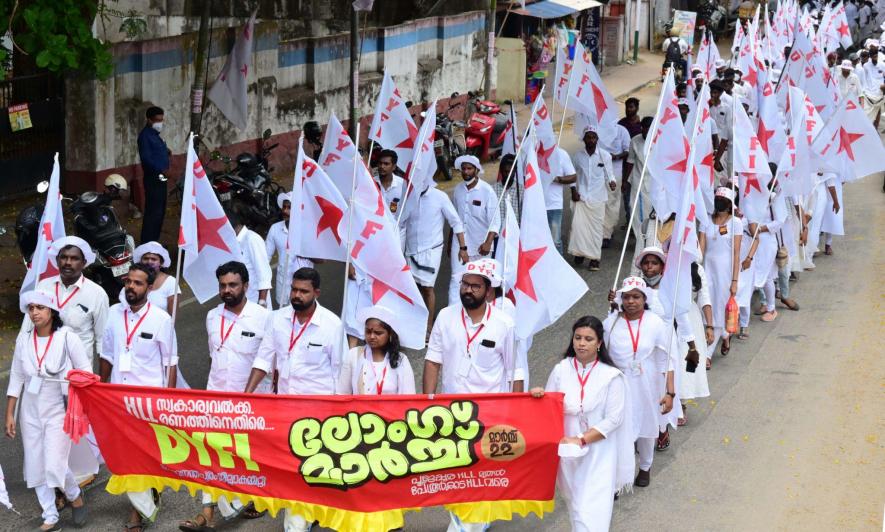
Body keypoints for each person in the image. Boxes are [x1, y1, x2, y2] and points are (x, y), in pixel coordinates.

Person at [424, 260, 521, 532]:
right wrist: (428, 404)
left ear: (488, 292)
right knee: (456, 473)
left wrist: (516, 416)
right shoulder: (445, 316)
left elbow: (516, 371)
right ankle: (472, 520)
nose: (468, 290)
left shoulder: (504, 324)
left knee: (479, 474)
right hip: (451, 414)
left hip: (489, 417)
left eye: (475, 286)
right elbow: (432, 361)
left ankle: (465, 527)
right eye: (464, 284)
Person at [244, 267, 342, 532]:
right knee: (293, 470)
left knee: (310, 470)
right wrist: (246, 395)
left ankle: (302, 520)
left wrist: (337, 419)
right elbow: (264, 359)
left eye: (303, 291)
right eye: (294, 290)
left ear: (316, 293)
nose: (297, 295)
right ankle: (301, 519)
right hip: (284, 410)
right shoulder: (277, 319)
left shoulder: (332, 325)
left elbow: (338, 374)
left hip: (318, 413)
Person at [178, 261, 270, 531]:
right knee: (212, 454)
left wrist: (251, 397)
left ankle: (251, 499)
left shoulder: (263, 317)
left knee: (246, 457)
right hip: (216, 399)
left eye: (233, 284)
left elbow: (267, 362)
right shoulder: (212, 316)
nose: (227, 290)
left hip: (251, 404)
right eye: (223, 285)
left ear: (246, 286)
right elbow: (214, 356)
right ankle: (206, 513)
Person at [529, 316, 632, 532]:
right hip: (568, 452)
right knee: (576, 507)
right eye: (577, 338)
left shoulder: (611, 376)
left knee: (591, 511)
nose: (581, 343)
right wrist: (539, 396)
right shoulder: (561, 369)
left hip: (599, 452)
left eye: (588, 339)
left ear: (599, 343)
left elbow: (614, 419)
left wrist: (582, 439)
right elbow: (550, 407)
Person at [99, 263, 178, 531]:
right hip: (118, 399)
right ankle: (148, 495)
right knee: (124, 455)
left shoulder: (161, 319)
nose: (131, 287)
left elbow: (171, 363)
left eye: (138, 283)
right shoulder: (113, 314)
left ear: (150, 287)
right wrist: (101, 388)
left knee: (143, 454)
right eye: (128, 282)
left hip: (148, 400)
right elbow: (107, 354)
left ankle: (138, 511)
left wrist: (167, 401)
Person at [6, 290, 90, 531]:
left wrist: (78, 390)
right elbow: (16, 377)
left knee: (54, 463)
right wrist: (9, 413)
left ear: (52, 311)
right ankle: (50, 516)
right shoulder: (24, 339)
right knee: (35, 464)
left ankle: (75, 496)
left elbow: (85, 371)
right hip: (30, 411)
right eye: (31, 308)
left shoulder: (67, 337)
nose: (34, 312)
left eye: (40, 308)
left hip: (59, 410)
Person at [604, 277, 675, 488]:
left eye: (636, 297)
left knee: (645, 425)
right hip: (618, 382)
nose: (631, 301)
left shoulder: (655, 323)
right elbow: (602, 354)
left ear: (645, 299)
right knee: (617, 429)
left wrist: (670, 393)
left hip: (647, 382)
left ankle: (645, 466)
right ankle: (618, 480)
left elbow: (665, 358)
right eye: (626, 297)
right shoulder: (611, 323)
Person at [402, 181, 468, 335]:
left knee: (427, 288)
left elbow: (456, 222)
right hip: (411, 251)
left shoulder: (440, 197)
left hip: (432, 250)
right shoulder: (407, 196)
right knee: (414, 290)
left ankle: (429, 327)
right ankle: (417, 324)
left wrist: (463, 248)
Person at [448, 155, 499, 305]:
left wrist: (488, 243)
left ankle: (484, 310)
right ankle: (454, 312)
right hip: (460, 245)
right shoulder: (457, 190)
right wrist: (451, 242)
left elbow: (495, 221)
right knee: (456, 278)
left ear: (476, 170)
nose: (466, 171)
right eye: (463, 168)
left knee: (482, 279)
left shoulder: (487, 191)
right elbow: (455, 219)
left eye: (469, 168)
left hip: (481, 244)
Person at [698, 187, 743, 357]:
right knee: (707, 305)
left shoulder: (736, 223)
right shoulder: (706, 221)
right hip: (708, 269)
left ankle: (708, 354)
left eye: (723, 202)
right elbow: (701, 248)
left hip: (725, 271)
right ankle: (724, 335)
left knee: (719, 309)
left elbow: (737, 253)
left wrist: (734, 280)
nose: (719, 204)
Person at [337, 305, 416, 395]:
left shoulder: (401, 360)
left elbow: (408, 398)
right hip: (360, 409)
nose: (372, 336)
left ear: (390, 334)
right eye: (368, 332)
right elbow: (342, 394)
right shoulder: (354, 355)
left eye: (378, 333)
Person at [569, 125, 615, 271]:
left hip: (598, 199)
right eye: (588, 136)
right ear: (584, 139)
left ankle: (595, 259)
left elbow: (610, 174)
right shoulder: (577, 156)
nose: (591, 139)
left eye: (593, 137)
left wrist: (612, 182)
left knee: (596, 230)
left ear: (597, 139)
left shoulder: (605, 156)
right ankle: (580, 253)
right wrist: (573, 190)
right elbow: (571, 174)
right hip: (581, 198)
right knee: (579, 228)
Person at [265, 192, 314, 308]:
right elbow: (265, 257)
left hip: (304, 285)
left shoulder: (307, 230)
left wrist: (303, 250)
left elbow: (321, 260)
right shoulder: (275, 229)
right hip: (283, 287)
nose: (285, 211)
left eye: (289, 208)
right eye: (284, 207)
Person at [623, 117, 655, 275]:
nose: (647, 131)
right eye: (645, 128)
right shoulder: (635, 141)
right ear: (641, 128)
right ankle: (641, 245)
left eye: (650, 128)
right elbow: (630, 161)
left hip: (655, 185)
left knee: (654, 218)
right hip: (638, 184)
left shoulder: (659, 141)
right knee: (637, 216)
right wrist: (625, 181)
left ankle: (652, 244)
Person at [137, 106, 170, 244]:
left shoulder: (155, 136)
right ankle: (147, 243)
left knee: (160, 212)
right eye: (157, 120)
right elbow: (146, 159)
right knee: (153, 213)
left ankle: (154, 242)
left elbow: (157, 152)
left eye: (161, 120)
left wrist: (166, 151)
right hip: (153, 178)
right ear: (149, 120)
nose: (160, 123)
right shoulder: (145, 136)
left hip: (161, 178)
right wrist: (161, 170)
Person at [118, 242, 179, 315]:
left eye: (154, 259)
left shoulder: (171, 282)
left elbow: (172, 317)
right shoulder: (132, 281)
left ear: (161, 263)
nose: (149, 262)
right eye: (146, 258)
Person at [231, 211, 273, 308]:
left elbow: (264, 274)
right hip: (241, 303)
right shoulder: (234, 241)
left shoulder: (252, 240)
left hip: (255, 302)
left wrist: (261, 303)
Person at [598, 123, 631, 248]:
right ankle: (600, 233)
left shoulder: (622, 131)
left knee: (611, 205)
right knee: (599, 204)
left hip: (614, 174)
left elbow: (627, 151)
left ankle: (607, 234)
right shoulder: (597, 129)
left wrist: (616, 156)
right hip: (598, 175)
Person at [542, 144, 578, 254]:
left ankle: (558, 268)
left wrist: (556, 178)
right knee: (539, 241)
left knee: (555, 240)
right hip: (535, 204)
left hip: (554, 205)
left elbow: (573, 176)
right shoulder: (532, 154)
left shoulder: (561, 154)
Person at [374, 149, 406, 220]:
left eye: (386, 164)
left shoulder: (403, 185)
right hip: (375, 226)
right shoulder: (371, 183)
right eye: (380, 163)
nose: (382, 166)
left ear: (394, 167)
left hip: (396, 229)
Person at [862, 42, 885, 128]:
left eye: (876, 56)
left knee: (878, 111)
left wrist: (884, 87)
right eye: (873, 56)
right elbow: (864, 80)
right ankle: (868, 129)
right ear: (870, 57)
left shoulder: (883, 65)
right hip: (868, 94)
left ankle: (875, 130)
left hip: (879, 94)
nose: (875, 58)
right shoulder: (866, 66)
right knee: (867, 114)